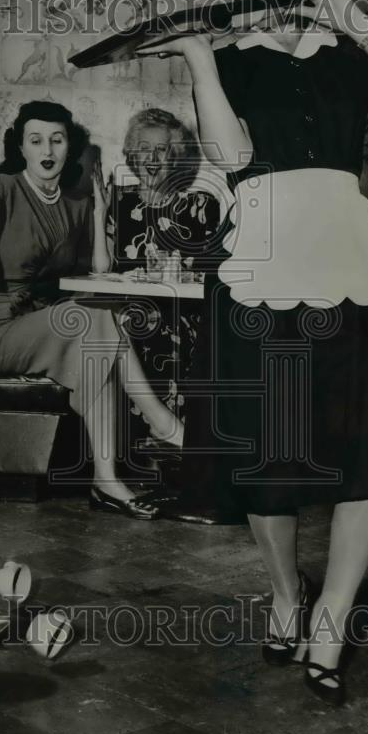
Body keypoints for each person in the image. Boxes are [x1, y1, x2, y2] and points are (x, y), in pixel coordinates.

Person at [138, 0, 368, 704]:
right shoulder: (228, 58)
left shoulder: (345, 50)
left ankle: (332, 619)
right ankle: (286, 593)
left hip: (354, 264)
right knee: (270, 455)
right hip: (262, 266)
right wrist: (202, 62)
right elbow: (233, 155)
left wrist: (350, 11)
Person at [0, 100, 184, 520]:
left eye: (57, 139)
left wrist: (99, 212)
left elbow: (98, 274)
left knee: (97, 322)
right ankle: (162, 422)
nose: (47, 149)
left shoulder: (76, 203)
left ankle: (107, 480)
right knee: (92, 319)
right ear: (22, 148)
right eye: (36, 140)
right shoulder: (2, 188)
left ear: (69, 147)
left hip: (50, 323)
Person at [104, 107, 224, 520]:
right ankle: (147, 458)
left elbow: (210, 275)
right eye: (143, 150)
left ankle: (177, 460)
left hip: (183, 313)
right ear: (130, 156)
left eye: (163, 151)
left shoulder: (200, 205)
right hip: (130, 313)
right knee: (118, 325)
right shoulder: (114, 204)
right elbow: (103, 273)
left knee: (170, 330)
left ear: (178, 158)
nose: (153, 159)